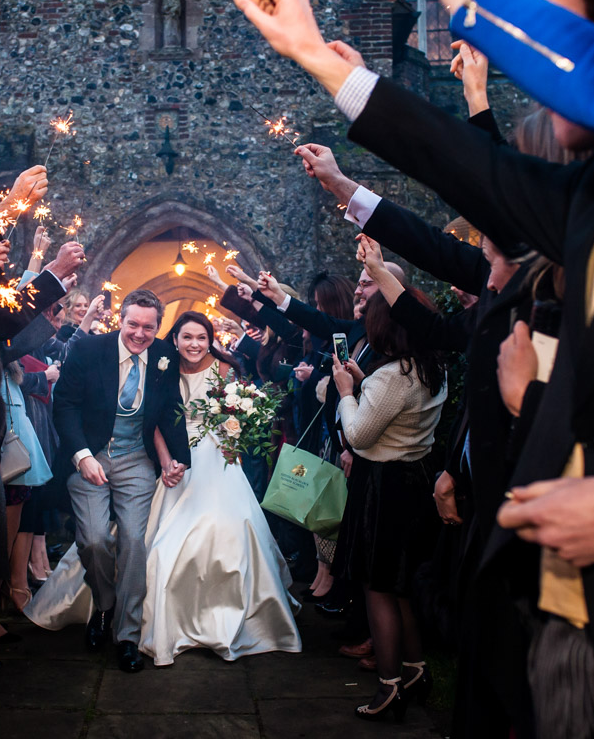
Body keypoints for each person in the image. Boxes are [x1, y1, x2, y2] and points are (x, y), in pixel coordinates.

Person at [232, 0, 594, 737]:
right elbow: (477, 173)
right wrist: (320, 64)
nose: (524, 71)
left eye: (541, 29)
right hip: (555, 626)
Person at [26, 312, 303, 667]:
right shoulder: (164, 365)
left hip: (211, 454)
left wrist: (233, 439)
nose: (194, 344)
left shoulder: (224, 369)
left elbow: (236, 414)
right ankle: (108, 606)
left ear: (210, 339)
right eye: (187, 337)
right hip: (162, 452)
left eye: (201, 338)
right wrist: (167, 459)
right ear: (173, 340)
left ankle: (190, 619)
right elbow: (154, 418)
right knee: (117, 539)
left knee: (212, 531)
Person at [331, 249, 447, 722]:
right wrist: (363, 383)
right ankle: (418, 670)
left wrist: (345, 394)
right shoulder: (429, 369)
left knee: (378, 588)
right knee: (402, 589)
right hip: (412, 482)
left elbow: (359, 436)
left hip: (381, 488)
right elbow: (397, 413)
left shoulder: (391, 377)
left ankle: (389, 684)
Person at [50, 289, 191, 673]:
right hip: (91, 454)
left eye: (148, 327)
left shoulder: (164, 356)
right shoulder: (88, 350)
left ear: (158, 327)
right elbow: (63, 404)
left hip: (136, 459)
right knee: (94, 540)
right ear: (121, 320)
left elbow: (169, 411)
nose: (140, 334)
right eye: (133, 324)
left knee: (133, 539)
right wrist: (81, 456)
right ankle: (104, 604)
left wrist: (175, 460)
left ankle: (127, 635)